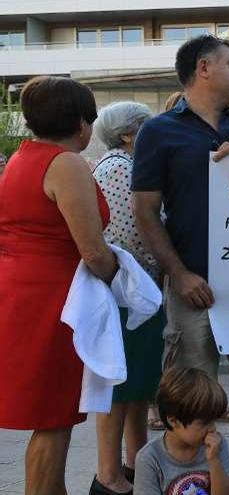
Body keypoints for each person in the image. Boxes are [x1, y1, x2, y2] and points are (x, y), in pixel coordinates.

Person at [131, 35, 229, 492]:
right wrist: (179, 274)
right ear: (204, 68)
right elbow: (146, 212)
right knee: (192, 395)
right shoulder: (158, 131)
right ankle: (192, 484)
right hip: (192, 287)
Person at [0, 75, 118, 495]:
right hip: (54, 296)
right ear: (82, 125)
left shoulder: (19, 158)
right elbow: (93, 250)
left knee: (48, 414)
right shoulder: (65, 163)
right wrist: (124, 284)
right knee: (54, 414)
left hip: (21, 289)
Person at [91, 101, 164, 494]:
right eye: (146, 128)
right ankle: (109, 475)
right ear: (128, 134)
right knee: (121, 386)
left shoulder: (118, 165)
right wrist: (168, 255)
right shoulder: (119, 168)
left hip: (134, 290)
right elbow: (134, 232)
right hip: (128, 291)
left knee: (136, 386)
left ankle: (137, 464)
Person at [134, 367, 229, 495]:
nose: (212, 428)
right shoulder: (150, 458)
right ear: (173, 421)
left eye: (214, 420)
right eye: (204, 423)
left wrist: (214, 462)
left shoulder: (217, 446)